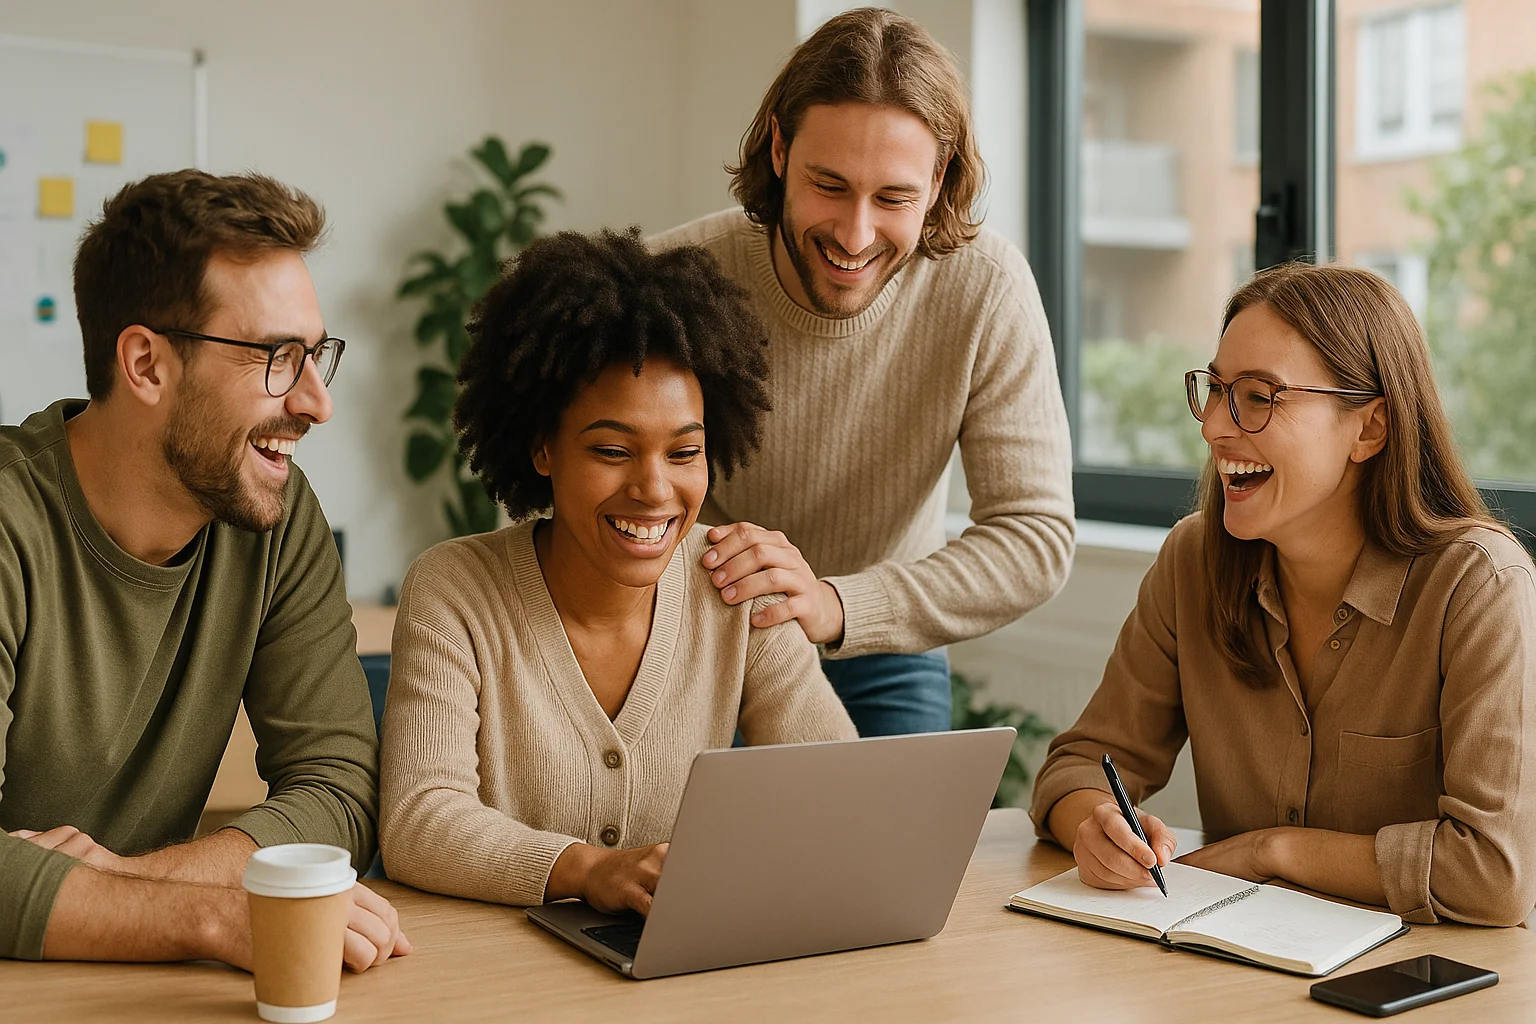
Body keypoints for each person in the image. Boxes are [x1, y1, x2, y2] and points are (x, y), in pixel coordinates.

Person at [1030, 262, 1536, 926]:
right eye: (1215, 389)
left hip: (1428, 984)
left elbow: (1495, 873)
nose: (1214, 425)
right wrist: (1094, 824)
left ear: (1370, 429)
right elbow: (1077, 766)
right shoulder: (1193, 561)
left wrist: (1274, 852)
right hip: (1240, 967)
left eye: (1259, 395)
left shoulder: (1479, 586)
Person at [379, 228, 856, 916]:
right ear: (543, 447)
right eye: (612, 449)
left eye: (684, 452)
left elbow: (837, 792)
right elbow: (421, 822)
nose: (655, 490)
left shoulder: (736, 586)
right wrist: (585, 870)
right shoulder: (454, 591)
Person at [0, 170, 410, 968]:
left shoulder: (276, 518)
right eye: (276, 357)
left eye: (316, 354)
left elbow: (338, 789)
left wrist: (135, 888)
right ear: (147, 365)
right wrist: (210, 918)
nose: (318, 402)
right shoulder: (10, 524)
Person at [650, 7, 1075, 737]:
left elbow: (1034, 536)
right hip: (700, 629)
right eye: (830, 185)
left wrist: (836, 604)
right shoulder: (676, 282)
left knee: (899, 854)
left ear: (939, 179)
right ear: (780, 148)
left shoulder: (987, 288)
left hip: (881, 641)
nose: (854, 235)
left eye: (894, 198)